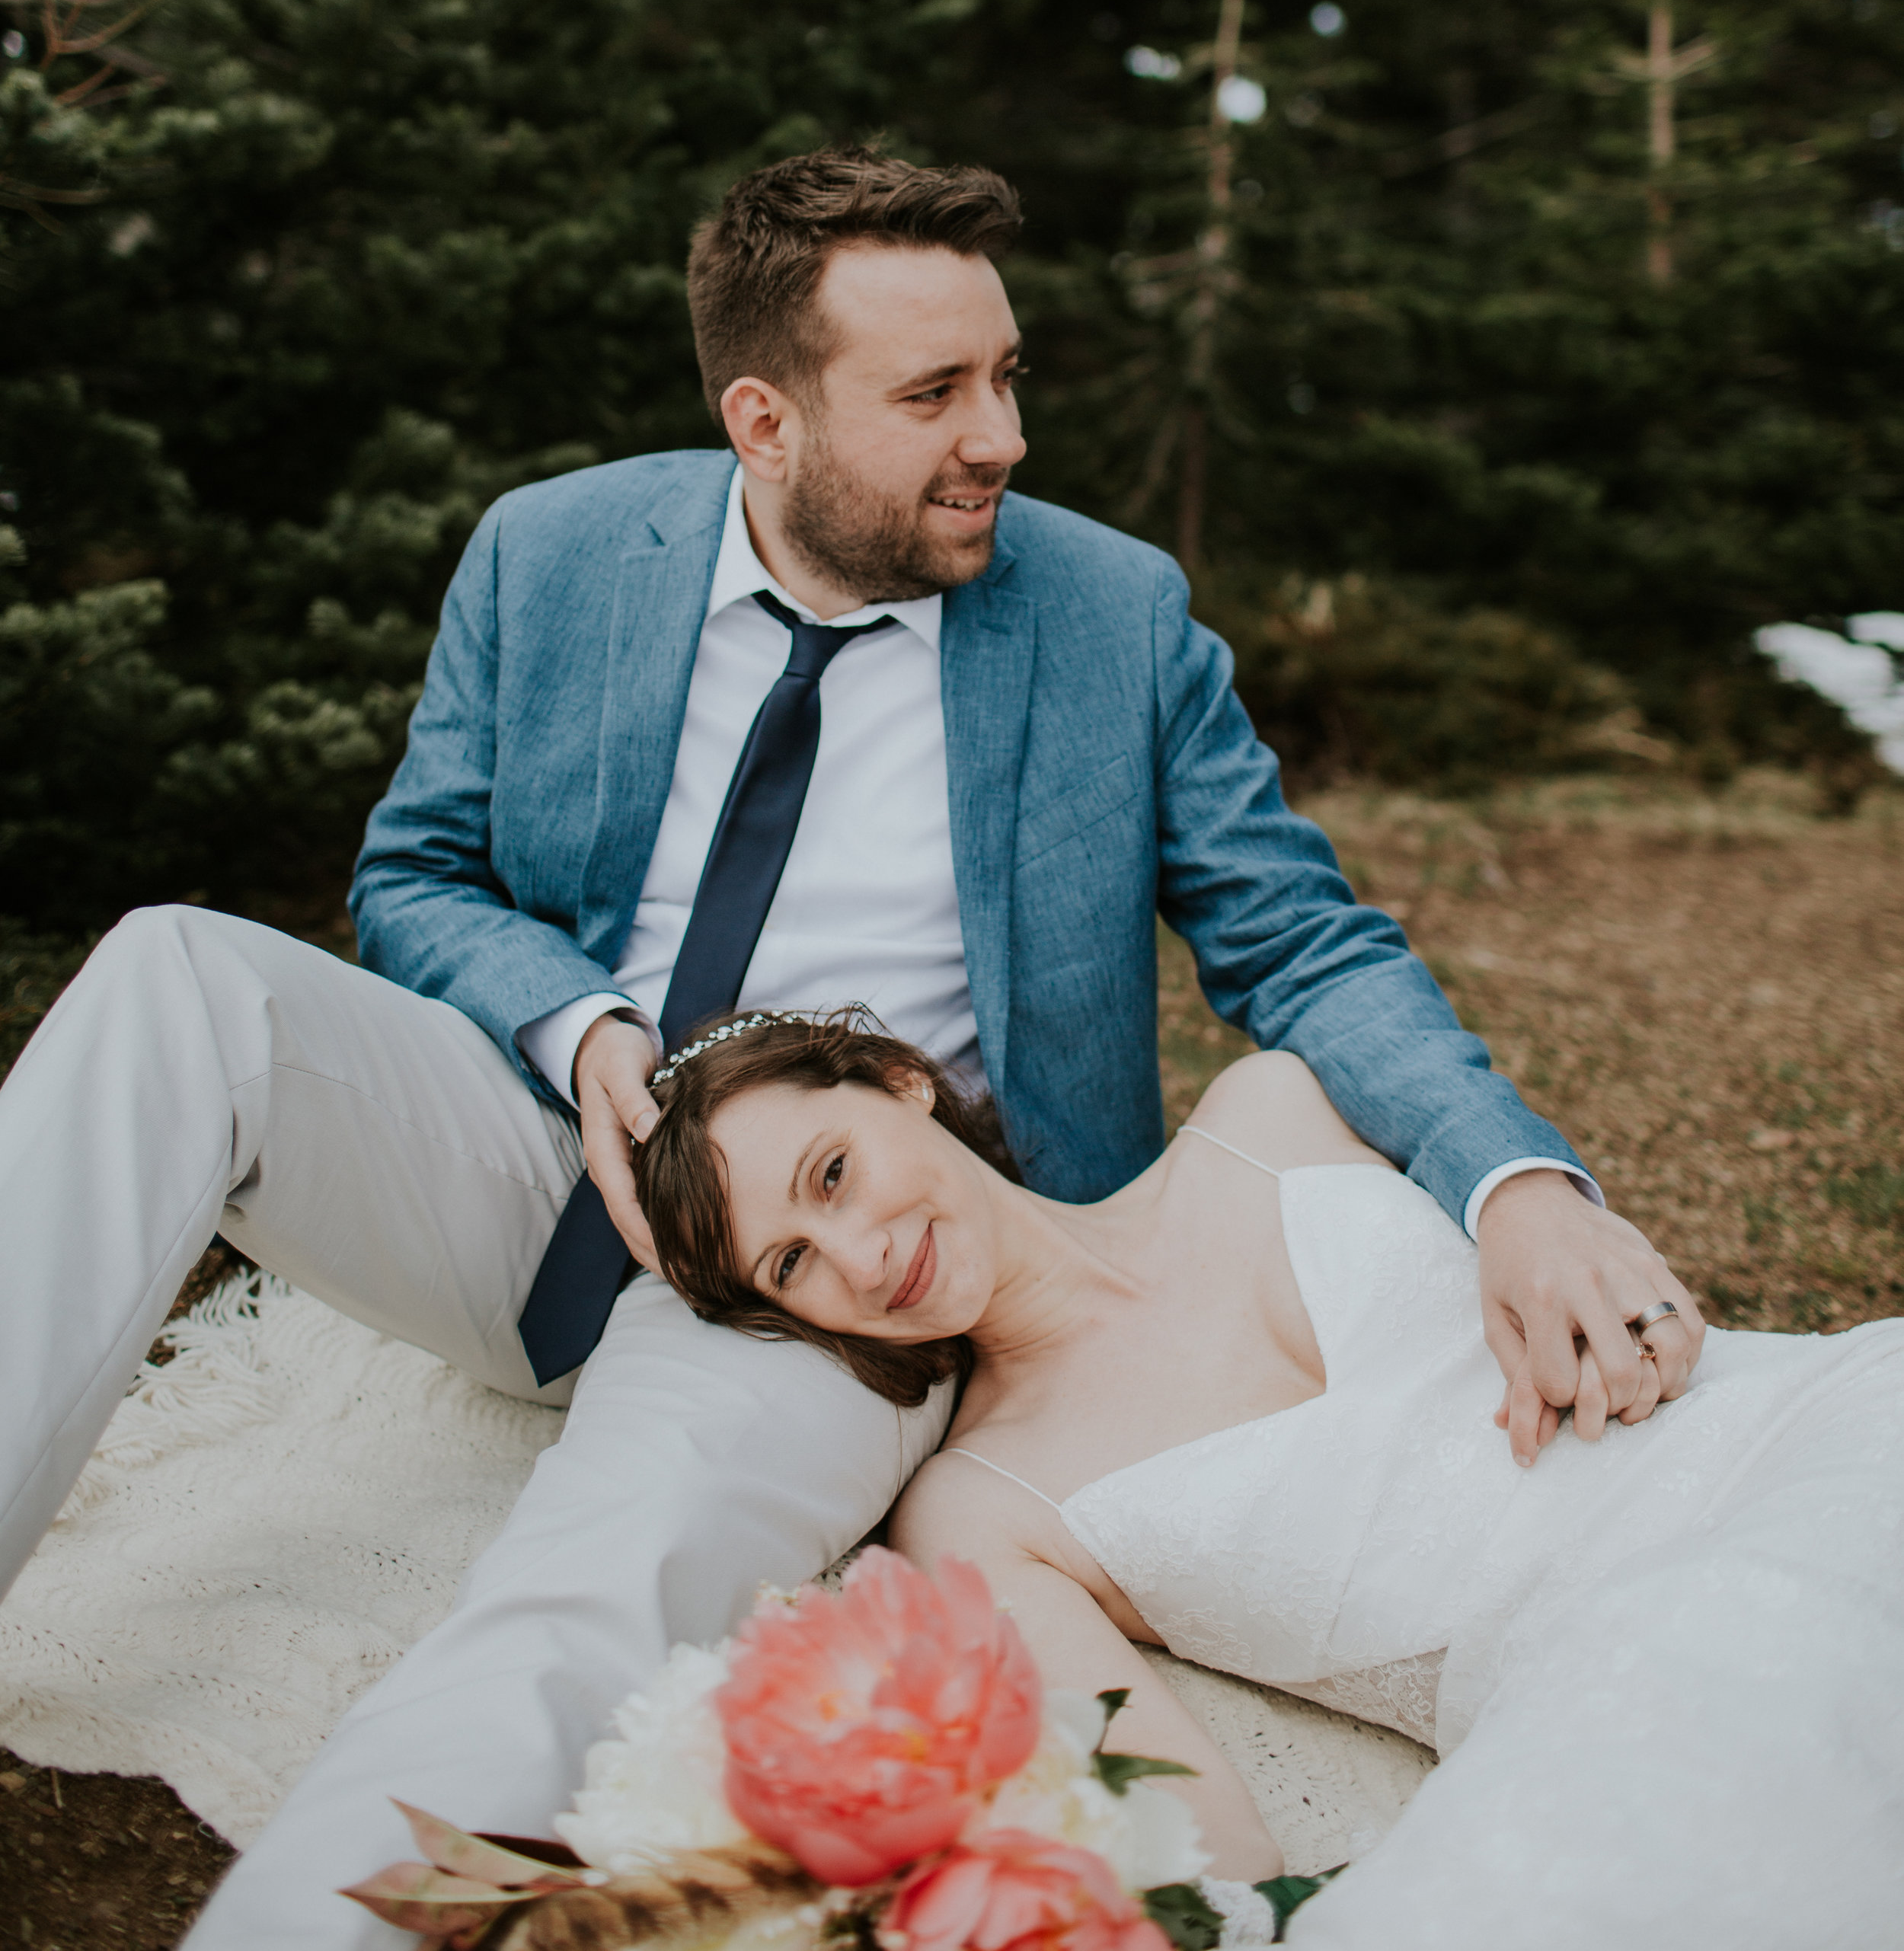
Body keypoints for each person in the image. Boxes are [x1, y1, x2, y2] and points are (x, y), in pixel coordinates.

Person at [0, 150, 1702, 1949]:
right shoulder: (554, 552)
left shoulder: (1109, 614)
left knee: (590, 1589)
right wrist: (578, 1028)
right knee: (182, 974)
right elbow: (413, 876)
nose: (1002, 437)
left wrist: (1513, 1180)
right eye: (932, 395)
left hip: (843, 1259)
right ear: (764, 418)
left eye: (1006, 374)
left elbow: (1295, 939)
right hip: (535, 1146)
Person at [634, 1011, 1904, 1951]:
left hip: (1806, 1423)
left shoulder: (1271, 1105)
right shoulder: (979, 1510)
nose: (858, 1255)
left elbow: (1499, 1156)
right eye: (793, 1261)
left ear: (902, 1083)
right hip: (1621, 1663)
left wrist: (1561, 1231)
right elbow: (1202, 1850)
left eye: (834, 1171)